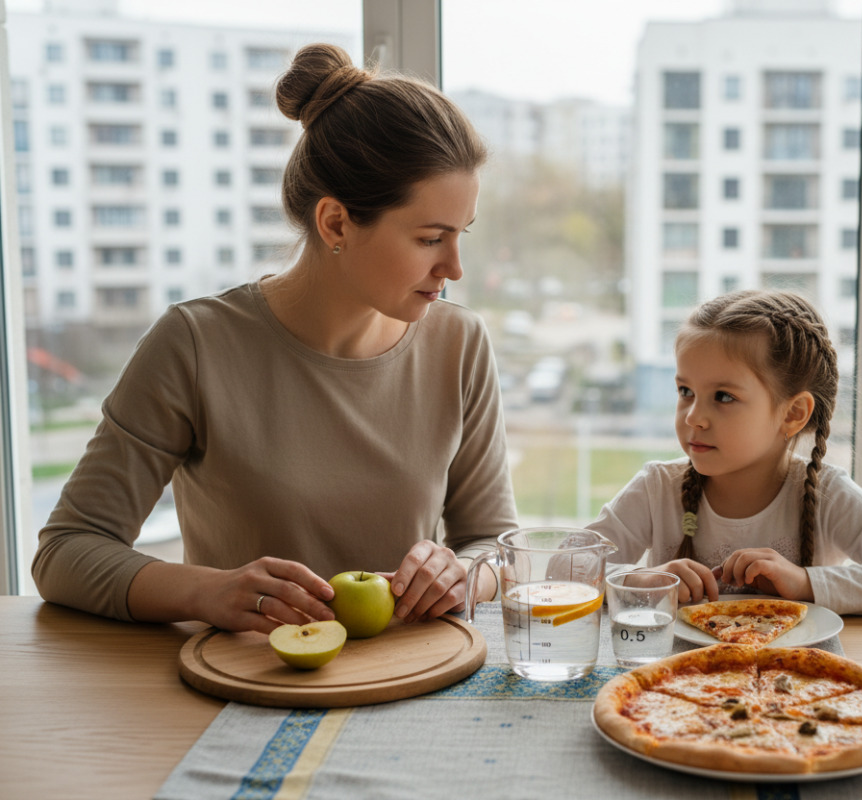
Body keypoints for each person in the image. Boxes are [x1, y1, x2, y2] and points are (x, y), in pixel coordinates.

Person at [32, 43, 516, 634]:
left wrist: (464, 574)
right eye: (429, 238)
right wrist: (208, 592)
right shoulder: (194, 345)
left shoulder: (459, 344)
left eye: (461, 233)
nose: (455, 268)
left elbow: (494, 543)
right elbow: (66, 551)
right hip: (239, 690)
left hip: (410, 681)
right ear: (336, 222)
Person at [587, 289, 862, 615]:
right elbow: (559, 570)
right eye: (686, 391)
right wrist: (640, 578)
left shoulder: (828, 495)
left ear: (793, 414)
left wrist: (805, 583)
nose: (695, 417)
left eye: (724, 397)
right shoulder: (656, 488)